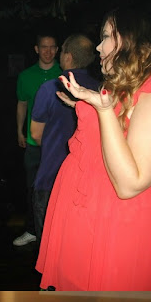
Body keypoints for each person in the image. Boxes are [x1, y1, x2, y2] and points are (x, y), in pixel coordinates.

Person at [37, 4, 151, 291]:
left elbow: (130, 183)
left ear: (134, 38)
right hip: (86, 216)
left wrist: (102, 111)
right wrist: (91, 108)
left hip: (114, 222)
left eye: (106, 37)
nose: (99, 47)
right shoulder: (125, 85)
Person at [29, 34, 98, 240]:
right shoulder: (100, 89)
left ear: (68, 56)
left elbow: (36, 134)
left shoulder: (51, 88)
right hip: (90, 181)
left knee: (49, 244)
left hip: (52, 177)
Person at [13, 33, 61, 247]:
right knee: (32, 188)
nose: (48, 51)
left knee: (59, 188)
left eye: (52, 47)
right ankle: (33, 230)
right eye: (44, 47)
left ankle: (57, 230)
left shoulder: (64, 73)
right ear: (36, 49)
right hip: (34, 142)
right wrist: (19, 131)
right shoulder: (26, 76)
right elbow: (22, 104)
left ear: (57, 49)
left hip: (60, 145)